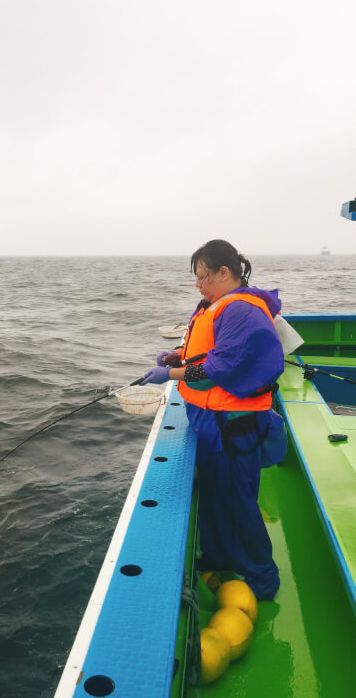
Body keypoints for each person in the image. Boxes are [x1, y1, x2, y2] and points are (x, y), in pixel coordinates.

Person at [141, 239, 287, 600]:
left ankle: (262, 579)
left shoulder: (241, 310)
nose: (198, 284)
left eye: (203, 276)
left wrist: (170, 376)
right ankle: (219, 557)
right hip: (209, 419)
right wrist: (177, 354)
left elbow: (216, 369)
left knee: (238, 500)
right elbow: (205, 349)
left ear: (225, 273)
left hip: (234, 422)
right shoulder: (214, 304)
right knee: (214, 494)